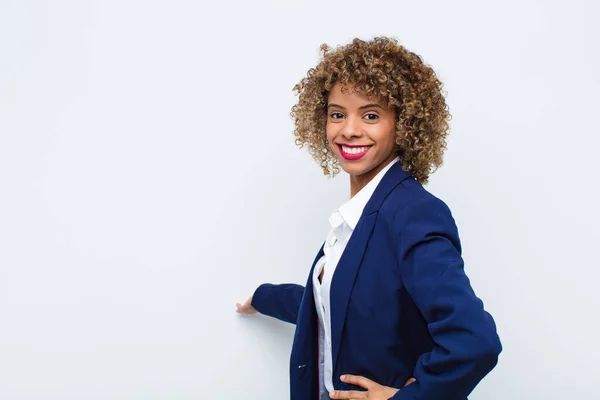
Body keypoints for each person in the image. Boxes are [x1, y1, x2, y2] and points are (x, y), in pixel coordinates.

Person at [236, 36, 502, 400]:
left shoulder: (413, 213)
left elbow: (475, 341)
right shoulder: (359, 215)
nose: (349, 130)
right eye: (337, 113)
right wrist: (261, 297)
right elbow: (340, 303)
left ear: (403, 122)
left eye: (371, 115)